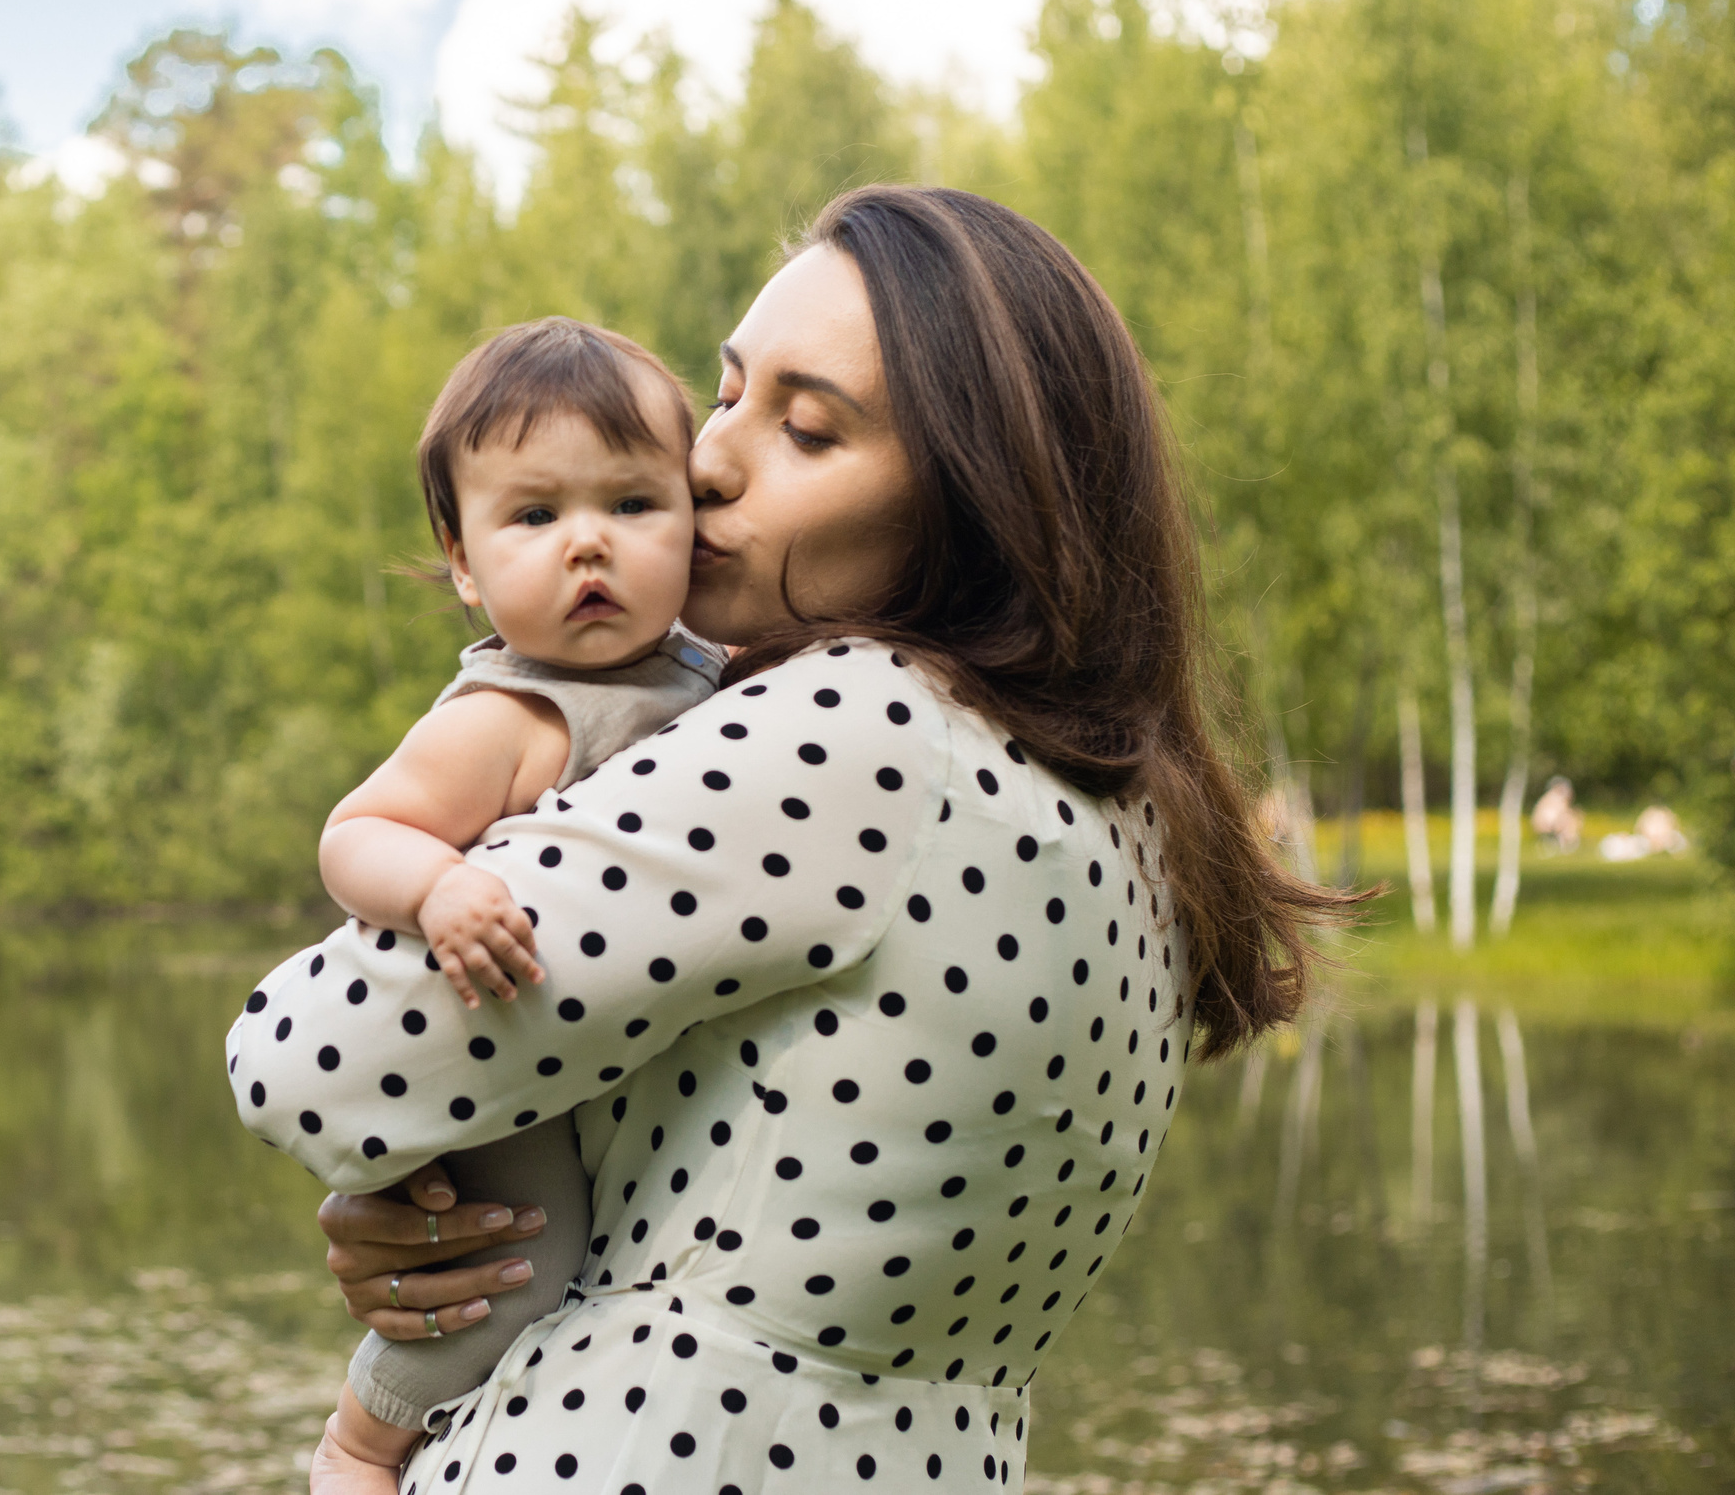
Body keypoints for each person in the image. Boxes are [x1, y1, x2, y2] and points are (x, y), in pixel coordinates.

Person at [228, 185, 1349, 1492]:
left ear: (976, 508)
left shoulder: (861, 731)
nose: (705, 460)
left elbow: (306, 1055)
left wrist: (414, 1184)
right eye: (727, 391)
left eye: (807, 428)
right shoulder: (1144, 822)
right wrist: (457, 1210)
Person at [312, 317, 727, 1484]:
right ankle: (363, 1440)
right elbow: (355, 834)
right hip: (503, 1081)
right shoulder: (506, 717)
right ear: (462, 560)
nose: (587, 546)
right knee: (520, 1274)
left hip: (608, 1056)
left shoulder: (713, 672)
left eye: (634, 505)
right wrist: (438, 884)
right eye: (534, 517)